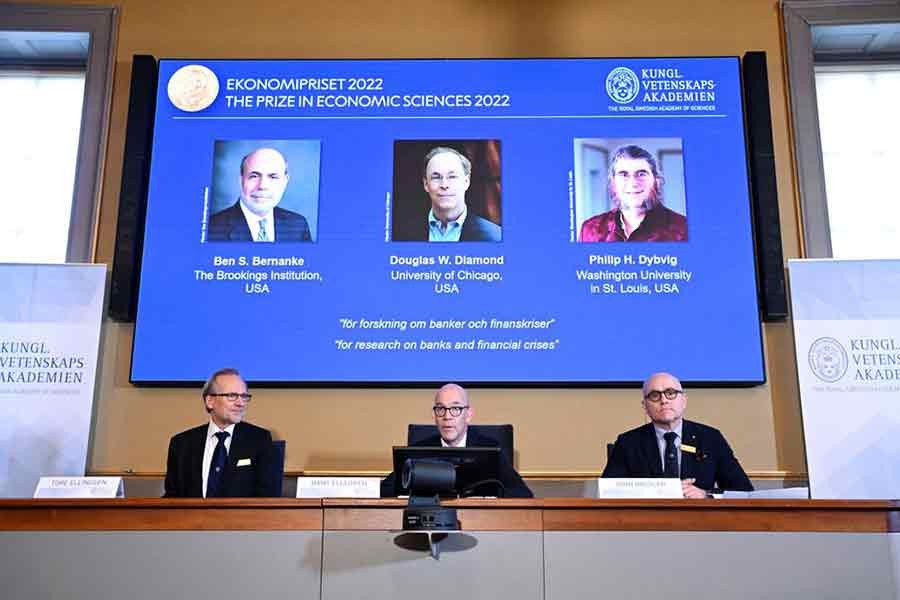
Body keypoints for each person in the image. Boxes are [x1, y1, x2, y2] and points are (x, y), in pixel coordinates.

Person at [602, 372, 753, 497]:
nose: (664, 400)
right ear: (645, 406)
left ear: (684, 400)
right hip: (647, 525)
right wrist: (662, 492)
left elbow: (743, 489)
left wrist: (706, 494)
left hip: (701, 522)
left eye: (670, 393)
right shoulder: (628, 443)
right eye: (655, 395)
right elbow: (609, 492)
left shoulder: (711, 438)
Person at [380, 383, 532, 497]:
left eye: (456, 409)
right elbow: (385, 490)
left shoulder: (489, 448)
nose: (447, 417)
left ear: (468, 415)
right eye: (441, 409)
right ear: (434, 415)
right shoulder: (420, 450)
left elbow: (523, 494)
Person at [163, 367, 282, 497]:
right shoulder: (182, 444)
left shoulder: (259, 440)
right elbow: (172, 499)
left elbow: (268, 498)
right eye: (232, 396)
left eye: (244, 396)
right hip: (192, 517)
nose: (240, 403)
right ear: (210, 401)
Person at [579, 144, 687, 242]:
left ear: (657, 180)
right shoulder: (589, 229)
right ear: (613, 183)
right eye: (624, 174)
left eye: (641, 174)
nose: (633, 183)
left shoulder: (684, 228)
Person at [393, 146, 502, 242]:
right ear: (426, 184)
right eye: (436, 177)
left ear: (466, 182)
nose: (444, 185)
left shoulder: (495, 237)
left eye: (452, 177)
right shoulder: (401, 235)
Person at [207, 147, 312, 242]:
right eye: (254, 176)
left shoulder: (298, 225)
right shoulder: (211, 228)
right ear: (240, 180)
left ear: (285, 181)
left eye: (273, 177)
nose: (262, 186)